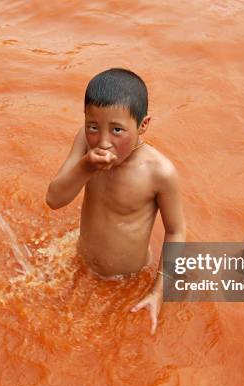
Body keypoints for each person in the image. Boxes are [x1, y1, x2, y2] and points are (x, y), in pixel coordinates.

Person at [45, 68, 186, 335]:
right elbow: (54, 199)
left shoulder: (159, 172)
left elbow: (176, 231)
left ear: (143, 125)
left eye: (117, 130)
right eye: (93, 127)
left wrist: (159, 292)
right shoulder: (86, 143)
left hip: (127, 280)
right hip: (81, 261)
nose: (104, 142)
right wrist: (86, 166)